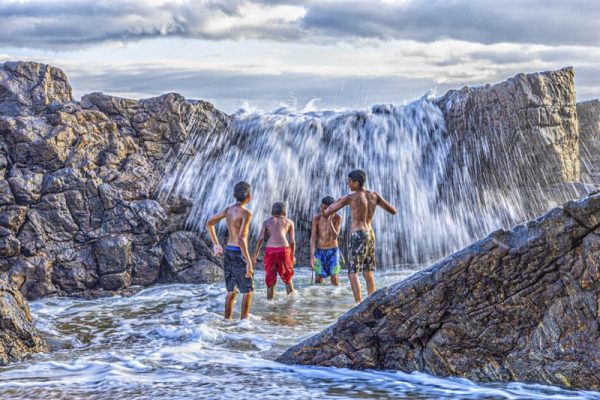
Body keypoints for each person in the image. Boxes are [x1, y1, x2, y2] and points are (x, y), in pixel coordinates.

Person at [324, 170, 397, 303]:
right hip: (370, 234)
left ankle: (358, 304)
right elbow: (393, 210)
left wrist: (341, 199)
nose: (348, 183)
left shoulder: (351, 198)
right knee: (368, 271)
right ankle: (372, 302)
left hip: (358, 235)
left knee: (353, 272)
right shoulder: (374, 195)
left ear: (356, 183)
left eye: (350, 181)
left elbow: (328, 211)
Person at [206, 181, 254, 320]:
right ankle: (244, 322)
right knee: (247, 290)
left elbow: (209, 223)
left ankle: (227, 320)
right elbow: (241, 239)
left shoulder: (228, 210)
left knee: (232, 290)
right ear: (249, 198)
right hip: (239, 253)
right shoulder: (246, 213)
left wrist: (216, 244)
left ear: (234, 195)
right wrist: (249, 262)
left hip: (228, 251)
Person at [252, 202, 296, 299]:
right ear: (284, 211)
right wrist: (292, 256)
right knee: (288, 279)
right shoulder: (289, 222)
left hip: (270, 251)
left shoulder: (266, 222)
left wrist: (255, 255)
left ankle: (269, 304)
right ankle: (292, 304)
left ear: (273, 210)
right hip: (284, 251)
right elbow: (292, 241)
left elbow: (260, 238)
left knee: (270, 281)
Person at [310, 196, 343, 286]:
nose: (322, 210)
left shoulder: (338, 218)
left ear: (332, 209)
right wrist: (312, 255)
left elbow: (335, 236)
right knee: (318, 278)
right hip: (320, 251)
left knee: (334, 278)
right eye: (321, 207)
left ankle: (336, 297)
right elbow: (313, 237)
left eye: (325, 208)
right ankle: (319, 299)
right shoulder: (316, 218)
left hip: (333, 251)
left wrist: (330, 221)